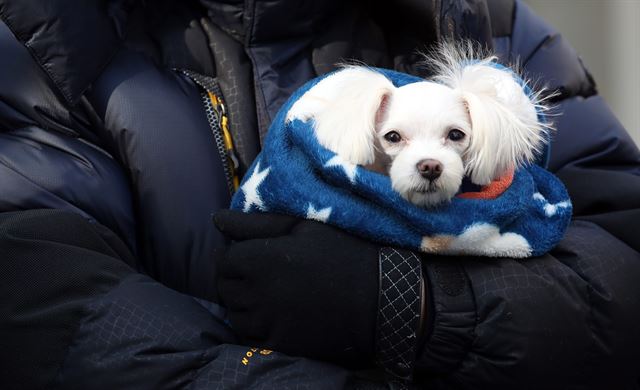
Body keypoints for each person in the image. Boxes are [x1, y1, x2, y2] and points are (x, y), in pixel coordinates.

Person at [0, 0, 639, 389]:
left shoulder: (488, 27)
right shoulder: (48, 42)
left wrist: (427, 310)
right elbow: (44, 305)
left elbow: (625, 261)